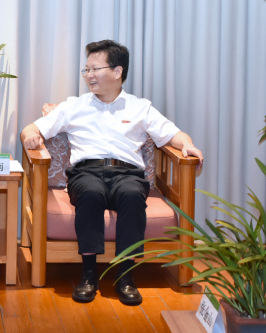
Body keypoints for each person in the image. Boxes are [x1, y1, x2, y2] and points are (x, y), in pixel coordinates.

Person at [21, 40, 203, 306]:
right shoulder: (74, 106)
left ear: (118, 71)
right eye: (86, 70)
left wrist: (187, 144)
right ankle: (89, 274)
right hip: (86, 173)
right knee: (91, 194)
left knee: (131, 195)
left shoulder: (140, 107)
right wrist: (30, 135)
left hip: (127, 174)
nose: (89, 75)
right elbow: (33, 128)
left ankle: (126, 276)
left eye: (95, 69)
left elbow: (173, 134)